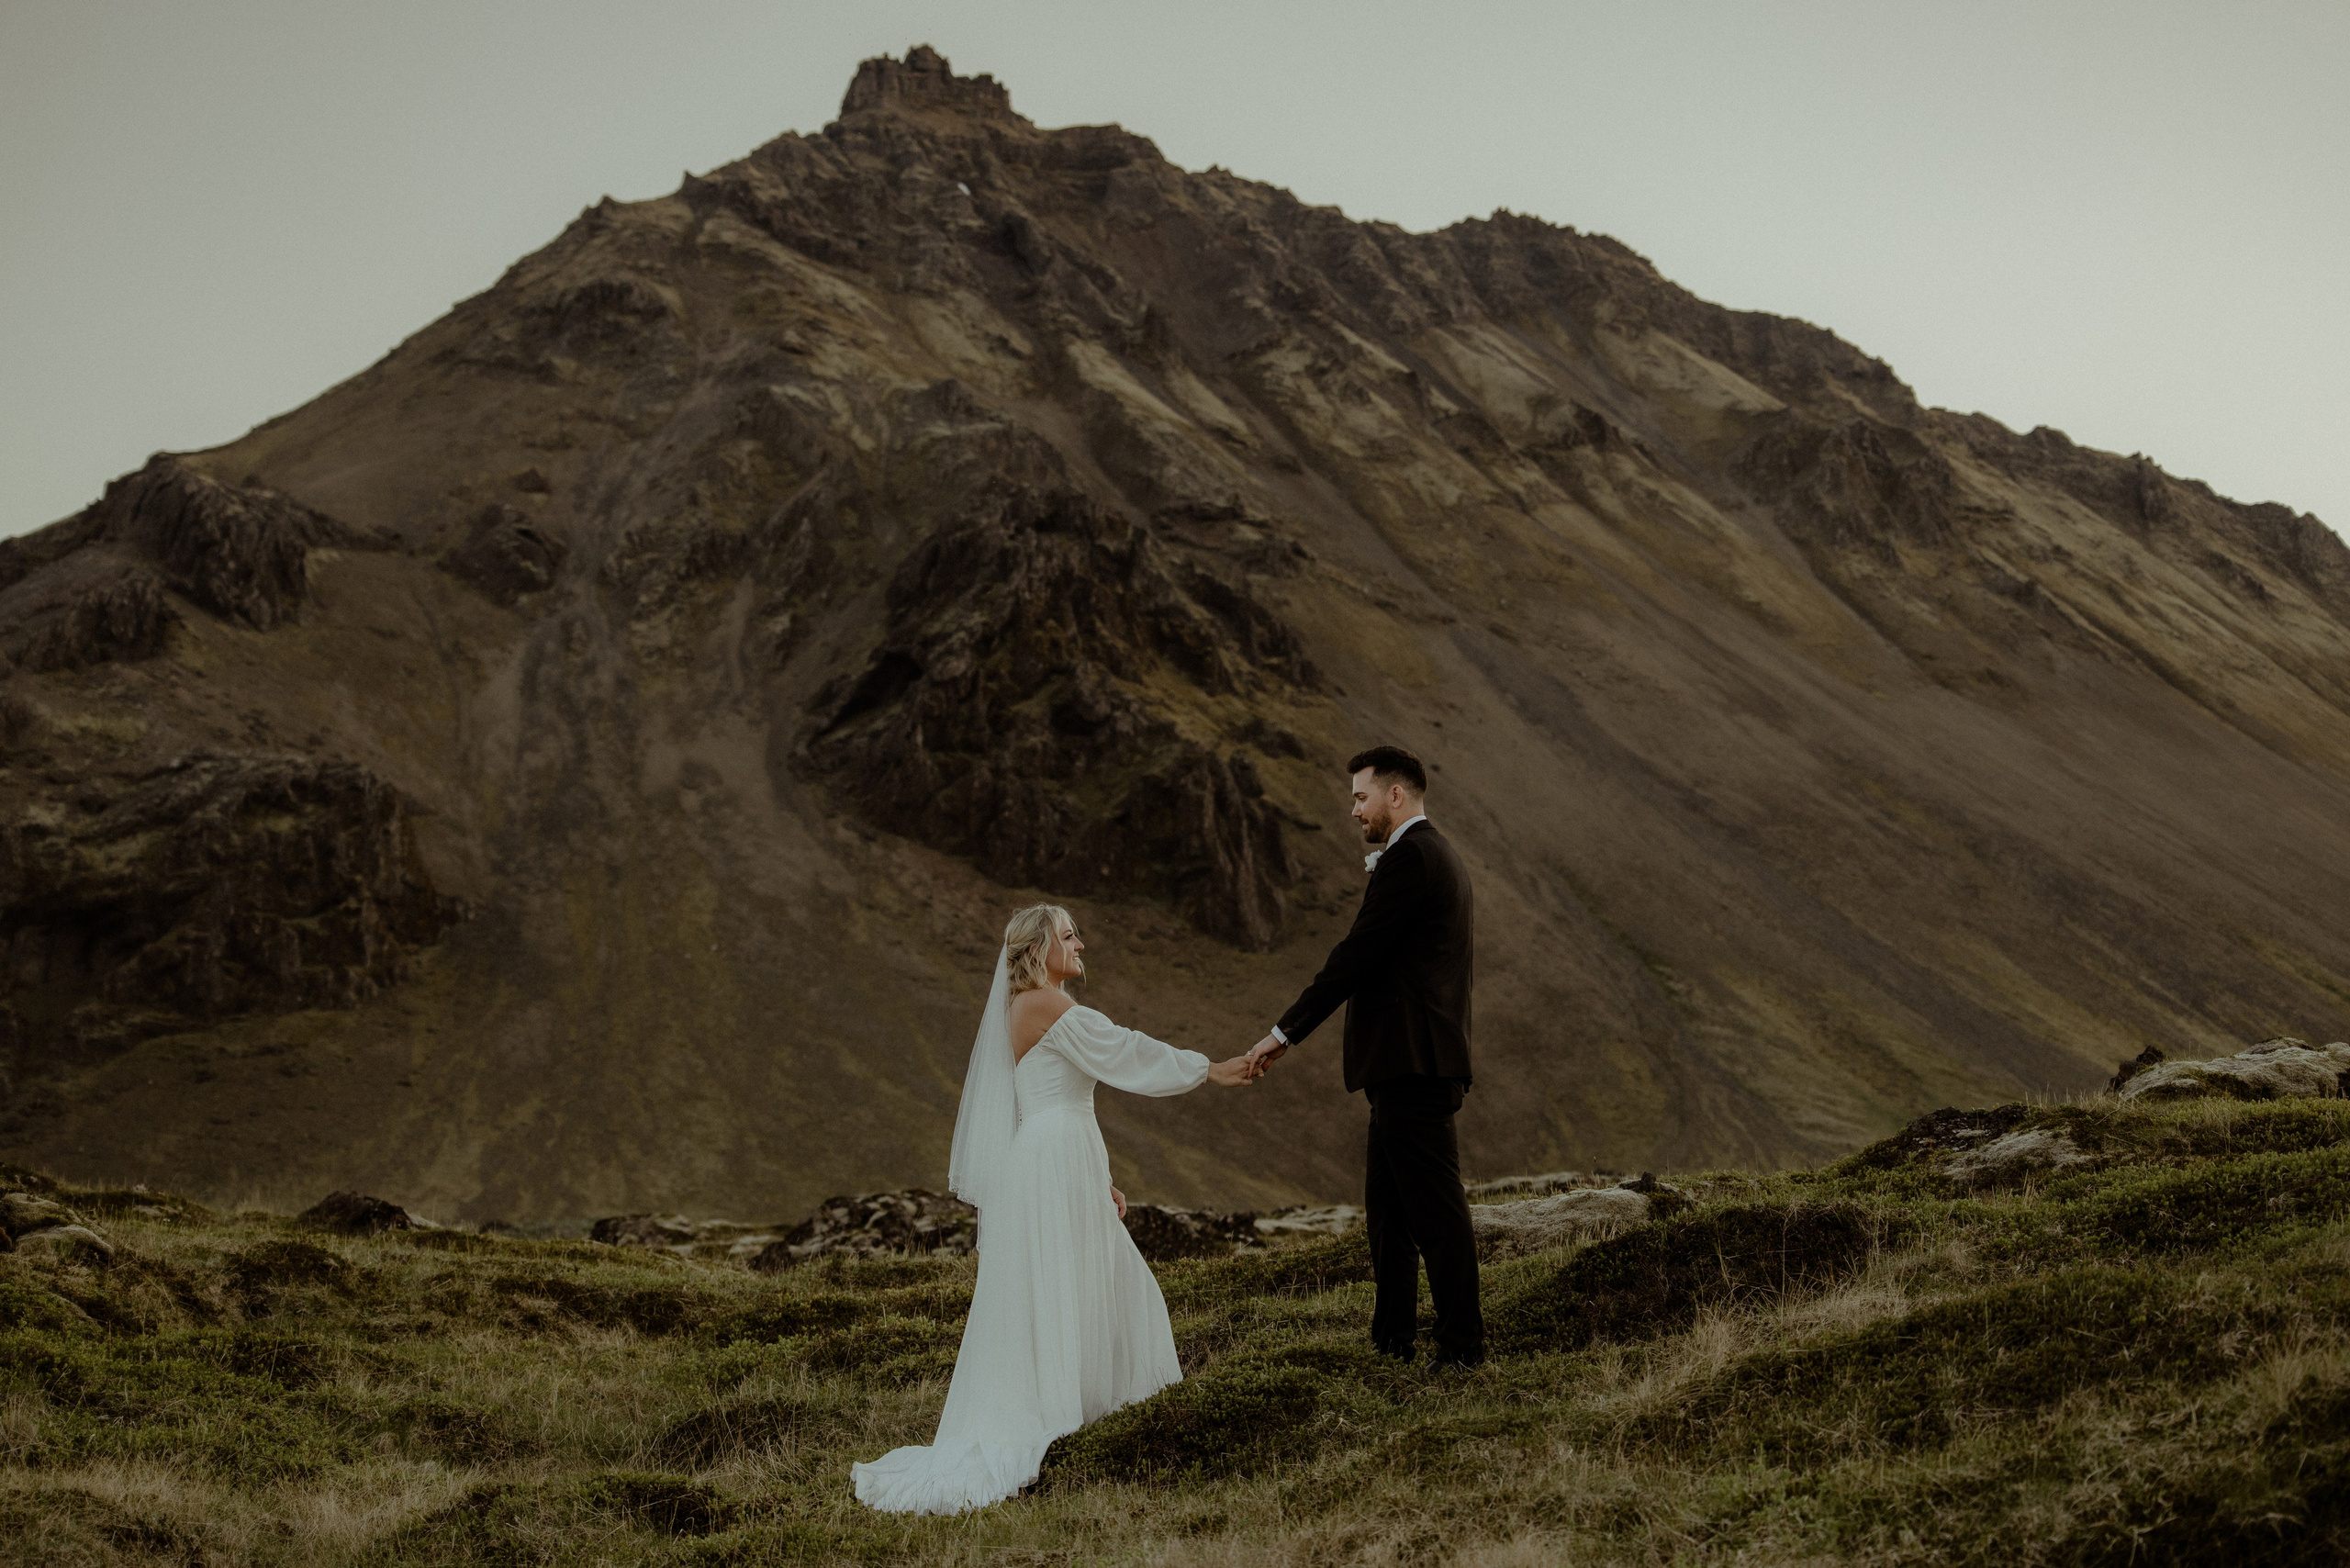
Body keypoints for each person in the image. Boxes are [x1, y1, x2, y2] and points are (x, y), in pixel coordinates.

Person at [852, 903, 1259, 1514]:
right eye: (1070, 936)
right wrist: (1209, 1069)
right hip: (1053, 1160)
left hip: (1059, 1156)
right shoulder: (1042, 1004)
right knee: (1085, 1286)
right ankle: (1080, 1422)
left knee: (1083, 1284)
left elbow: (1049, 1098)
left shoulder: (1029, 1009)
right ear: (1041, 950)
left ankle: (1094, 1417)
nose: (1083, 944)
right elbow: (1122, 1050)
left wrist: (1103, 1177)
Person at [1246, 745, 1483, 1368]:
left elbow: (1355, 956)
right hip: (1406, 1064)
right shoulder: (1431, 857)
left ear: (1395, 796)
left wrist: (1282, 1033)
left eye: (1360, 796)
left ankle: (1462, 1347)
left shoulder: (1413, 859)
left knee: (1435, 1212)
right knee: (1389, 1213)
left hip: (1415, 1065)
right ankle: (1392, 1337)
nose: (1353, 810)